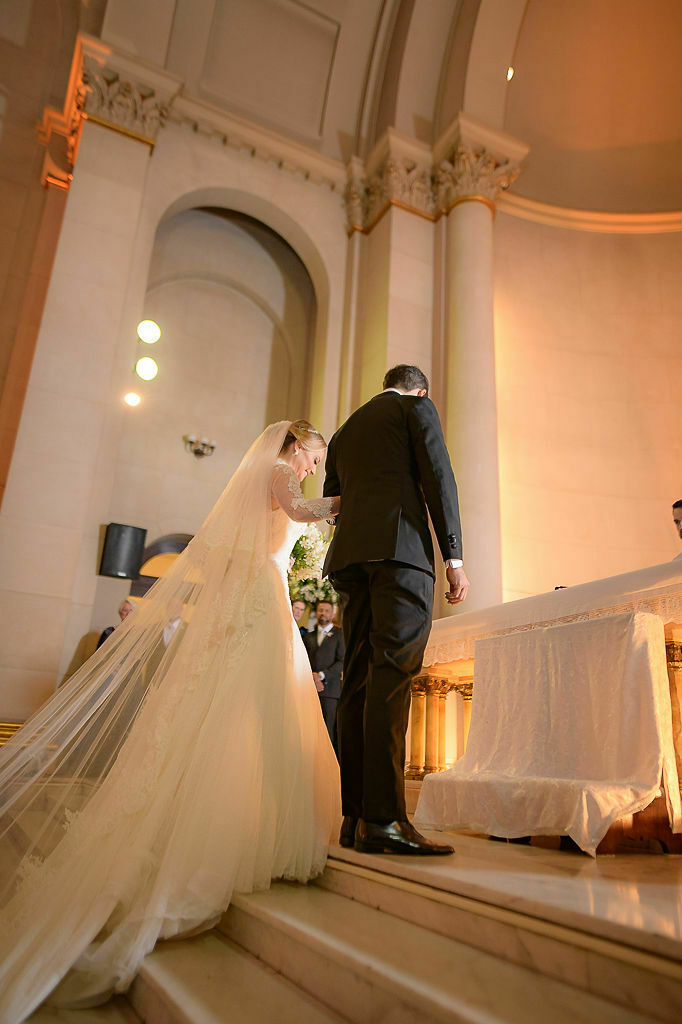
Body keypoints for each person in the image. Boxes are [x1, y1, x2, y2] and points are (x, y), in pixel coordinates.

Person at [0, 420, 341, 1022]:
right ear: (294, 446)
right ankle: (230, 825)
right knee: (250, 704)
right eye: (314, 455)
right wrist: (344, 500)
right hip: (261, 595)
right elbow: (300, 507)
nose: (312, 466)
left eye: (316, 462)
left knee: (251, 704)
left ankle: (250, 813)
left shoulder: (264, 475)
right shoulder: (280, 473)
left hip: (262, 593)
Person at [323, 364, 469, 856]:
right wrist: (454, 557)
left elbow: (333, 502)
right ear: (421, 388)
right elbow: (438, 478)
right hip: (401, 554)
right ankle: (384, 819)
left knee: (357, 680)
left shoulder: (344, 432)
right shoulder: (414, 408)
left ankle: (356, 816)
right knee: (393, 676)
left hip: (350, 562)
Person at [302, 600, 345, 752]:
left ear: (332, 614)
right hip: (309, 688)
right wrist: (312, 678)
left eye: (327, 611)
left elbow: (342, 661)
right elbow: (303, 660)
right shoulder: (308, 636)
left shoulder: (340, 635)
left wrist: (321, 676)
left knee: (327, 729)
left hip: (330, 691)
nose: (323, 613)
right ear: (316, 613)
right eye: (321, 610)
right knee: (309, 728)